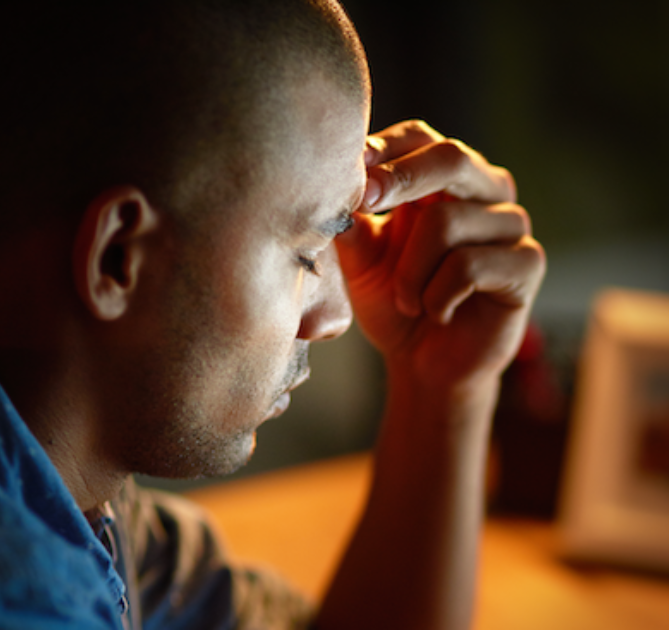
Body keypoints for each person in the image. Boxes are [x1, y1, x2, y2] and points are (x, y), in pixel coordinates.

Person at [0, 1, 545, 628]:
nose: (335, 319)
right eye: (310, 253)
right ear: (119, 258)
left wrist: (441, 389)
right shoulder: (30, 595)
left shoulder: (91, 507)